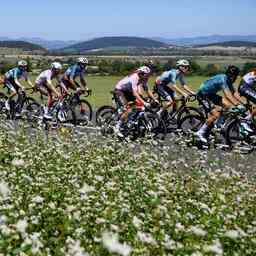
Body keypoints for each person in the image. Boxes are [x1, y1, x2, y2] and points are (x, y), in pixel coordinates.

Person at [196, 65, 245, 143]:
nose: (235, 79)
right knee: (215, 114)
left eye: (235, 77)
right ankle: (200, 133)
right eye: (234, 76)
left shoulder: (228, 79)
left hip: (211, 94)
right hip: (202, 94)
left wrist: (244, 103)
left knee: (227, 106)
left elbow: (234, 93)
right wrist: (237, 104)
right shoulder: (223, 79)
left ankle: (217, 126)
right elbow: (228, 95)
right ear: (231, 75)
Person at [113, 66, 154, 136]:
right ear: (141, 74)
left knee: (138, 105)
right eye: (146, 75)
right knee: (129, 109)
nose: (147, 77)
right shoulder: (135, 78)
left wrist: (152, 99)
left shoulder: (141, 78)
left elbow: (145, 89)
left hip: (127, 91)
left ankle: (130, 121)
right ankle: (117, 126)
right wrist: (144, 102)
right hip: (120, 91)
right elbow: (135, 93)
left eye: (148, 75)